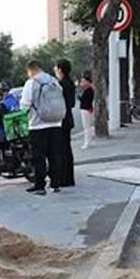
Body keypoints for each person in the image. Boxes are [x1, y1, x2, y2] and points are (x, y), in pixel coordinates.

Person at [21, 60, 63, 195]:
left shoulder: (32, 83)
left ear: (30, 70)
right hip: (56, 123)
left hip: (38, 125)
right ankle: (55, 184)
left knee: (39, 157)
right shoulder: (54, 81)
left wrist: (25, 114)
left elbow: (25, 105)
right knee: (54, 155)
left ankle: (40, 185)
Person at [54, 59, 76, 188]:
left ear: (60, 69)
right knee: (66, 149)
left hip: (61, 119)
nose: (55, 70)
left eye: (56, 68)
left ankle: (63, 179)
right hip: (68, 118)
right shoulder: (71, 83)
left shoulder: (60, 85)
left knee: (61, 150)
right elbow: (72, 103)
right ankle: (69, 178)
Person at [78, 72, 95, 149]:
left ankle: (87, 142)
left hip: (86, 109)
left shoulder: (88, 90)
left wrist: (80, 97)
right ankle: (88, 141)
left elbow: (85, 100)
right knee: (88, 126)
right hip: (87, 109)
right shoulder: (88, 89)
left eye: (83, 81)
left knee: (86, 127)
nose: (82, 83)